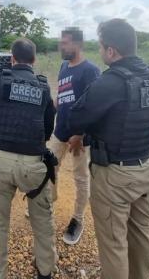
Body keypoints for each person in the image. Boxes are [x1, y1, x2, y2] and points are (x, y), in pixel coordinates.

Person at [69, 18, 149, 279]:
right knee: (140, 235)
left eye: (101, 47)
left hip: (115, 174)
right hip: (146, 168)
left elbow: (76, 119)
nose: (100, 52)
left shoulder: (110, 82)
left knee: (114, 243)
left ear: (111, 50)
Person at [0, 38, 58, 279]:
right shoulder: (43, 86)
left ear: (12, 58)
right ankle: (45, 270)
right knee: (43, 221)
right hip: (34, 165)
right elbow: (49, 125)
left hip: (0, 162)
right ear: (34, 60)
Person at [50, 27, 100, 245]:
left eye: (66, 42)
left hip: (80, 137)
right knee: (49, 168)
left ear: (78, 44)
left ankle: (77, 220)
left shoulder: (91, 71)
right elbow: (62, 96)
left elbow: (94, 107)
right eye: (61, 42)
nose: (62, 46)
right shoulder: (64, 66)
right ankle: (48, 207)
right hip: (60, 130)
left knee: (81, 178)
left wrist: (80, 134)